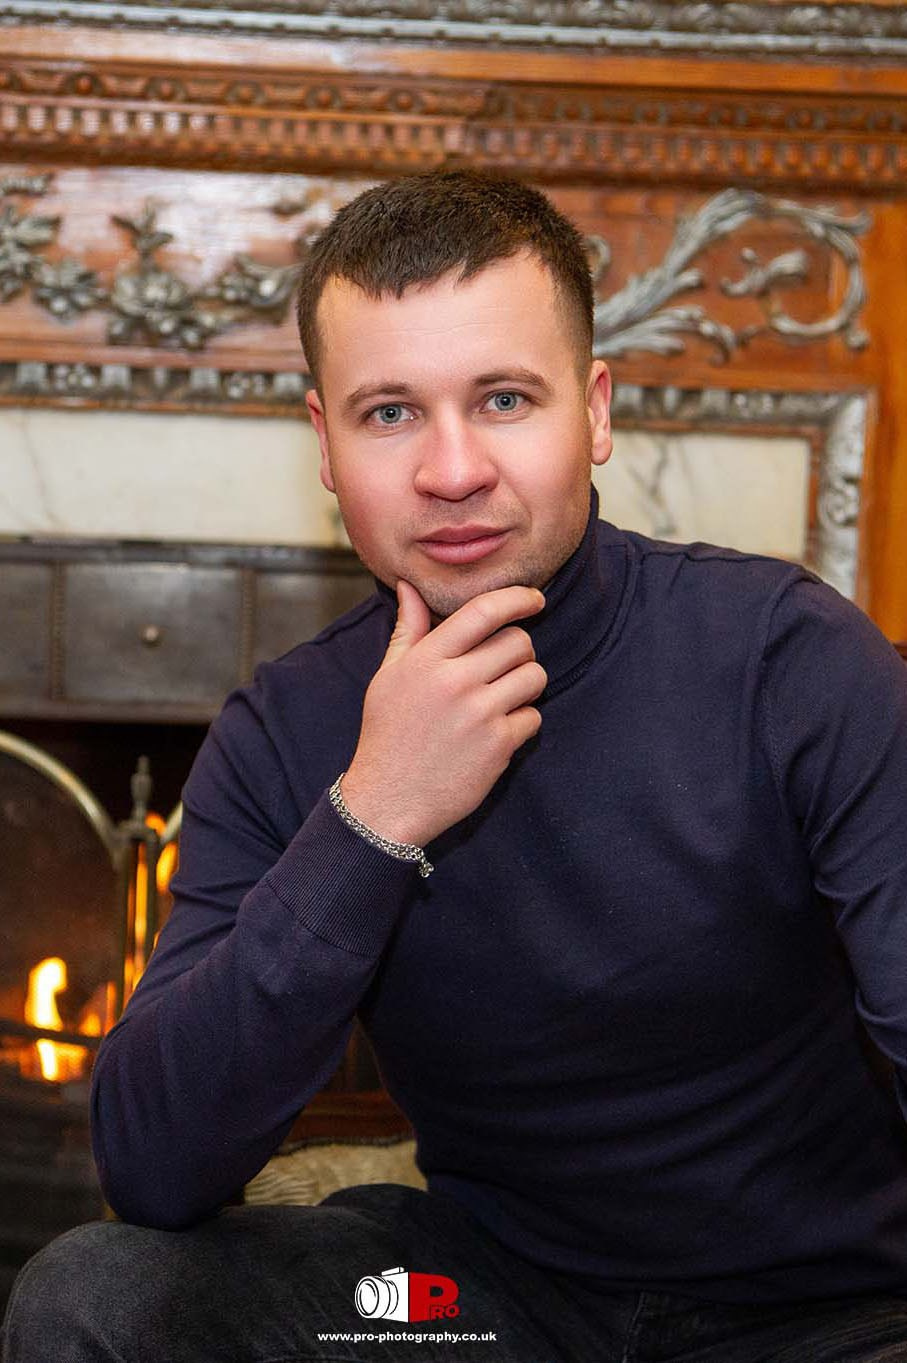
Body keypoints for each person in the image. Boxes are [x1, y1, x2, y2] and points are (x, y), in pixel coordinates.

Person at [4, 169, 907, 1363]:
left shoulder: (789, 659)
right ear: (326, 444)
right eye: (389, 412)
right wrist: (372, 818)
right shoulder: (285, 729)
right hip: (472, 1314)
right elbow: (152, 1166)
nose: (451, 470)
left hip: (829, 1318)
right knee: (96, 1297)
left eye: (503, 399)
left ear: (594, 413)